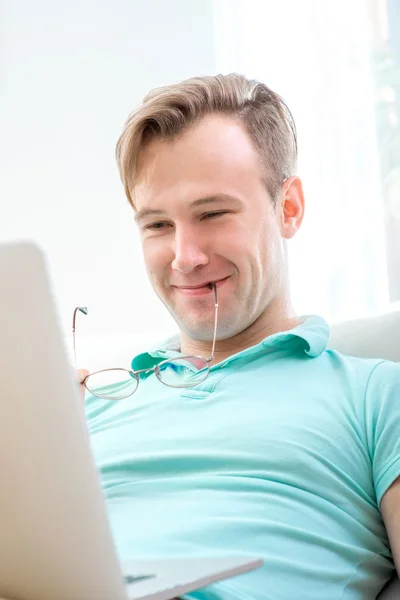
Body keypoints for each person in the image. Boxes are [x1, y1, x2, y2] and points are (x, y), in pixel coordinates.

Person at [78, 74, 400, 599]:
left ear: (288, 207)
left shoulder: (378, 397)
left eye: (212, 214)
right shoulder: (88, 405)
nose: (185, 256)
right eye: (157, 225)